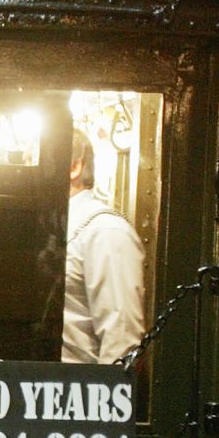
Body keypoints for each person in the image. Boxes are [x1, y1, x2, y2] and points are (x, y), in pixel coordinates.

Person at [61, 127, 146, 365]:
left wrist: (104, 400)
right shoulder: (55, 226)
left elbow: (122, 338)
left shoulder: (105, 232)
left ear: (74, 167)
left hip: (75, 394)